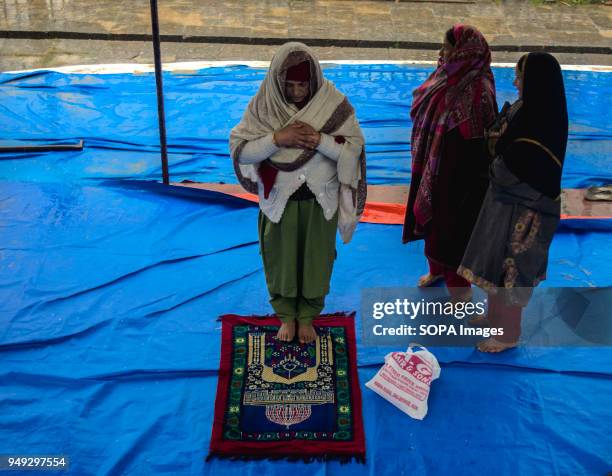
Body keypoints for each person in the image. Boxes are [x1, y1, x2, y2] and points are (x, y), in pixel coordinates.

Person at [229, 42, 366, 345]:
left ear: (313, 80)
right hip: (280, 203)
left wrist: (319, 140)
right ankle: (286, 317)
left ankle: (307, 317)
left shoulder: (333, 104)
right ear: (278, 83)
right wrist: (278, 138)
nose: (296, 92)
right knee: (280, 264)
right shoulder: (264, 106)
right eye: (289, 85)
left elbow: (352, 150)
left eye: (302, 85)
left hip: (320, 203)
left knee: (317, 262)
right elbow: (242, 152)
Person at [458, 52, 568, 352]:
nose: (516, 83)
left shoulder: (541, 121)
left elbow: (515, 167)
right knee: (497, 264)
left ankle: (508, 334)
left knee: (512, 271)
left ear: (535, 81)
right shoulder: (528, 110)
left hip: (528, 212)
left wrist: (494, 163)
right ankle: (495, 319)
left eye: (520, 77)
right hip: (506, 205)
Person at [402, 25, 498, 302]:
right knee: (432, 224)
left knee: (453, 233)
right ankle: (436, 271)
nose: (442, 52)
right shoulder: (445, 74)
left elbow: (477, 140)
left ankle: (460, 294)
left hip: (461, 175)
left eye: (447, 47)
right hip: (431, 162)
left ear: (464, 51)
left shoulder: (479, 88)